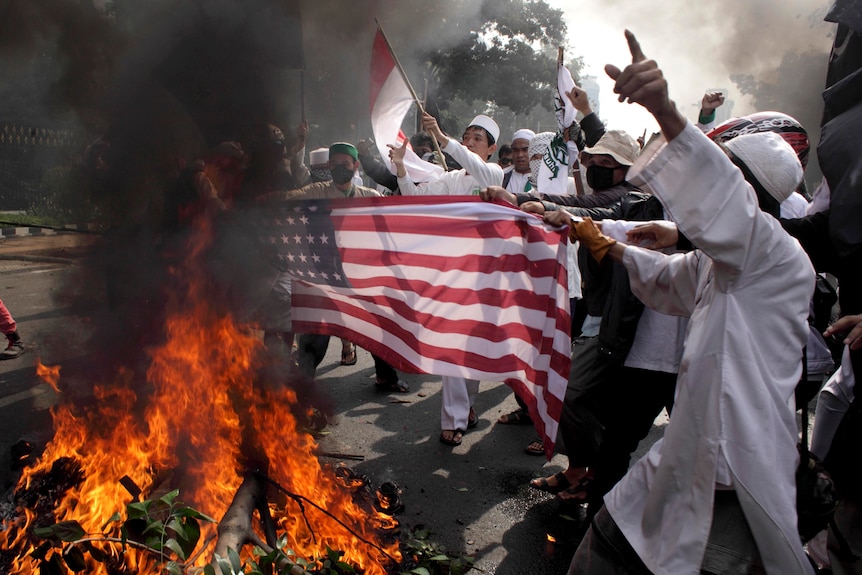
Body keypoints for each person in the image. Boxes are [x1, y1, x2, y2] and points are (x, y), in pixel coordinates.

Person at [563, 31, 815, 574]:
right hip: (685, 456)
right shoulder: (723, 262)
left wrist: (665, 109)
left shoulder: (775, 254)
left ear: (748, 193)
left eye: (723, 169)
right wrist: (607, 242)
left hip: (736, 474)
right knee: (598, 552)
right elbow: (670, 280)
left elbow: (721, 200)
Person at [389, 111, 504, 446]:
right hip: (453, 274)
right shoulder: (452, 179)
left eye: (477, 139)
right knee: (453, 347)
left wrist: (444, 138)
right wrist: (400, 168)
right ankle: (453, 418)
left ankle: (466, 406)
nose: (469, 143)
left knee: (476, 348)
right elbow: (414, 198)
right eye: (466, 136)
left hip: (488, 276)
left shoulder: (494, 174)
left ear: (491, 149)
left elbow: (480, 170)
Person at [285, 142, 409, 394]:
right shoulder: (317, 192)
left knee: (375, 325)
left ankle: (386, 377)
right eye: (334, 164)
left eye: (345, 163)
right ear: (328, 166)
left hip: (358, 276)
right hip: (324, 275)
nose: (339, 168)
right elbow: (286, 201)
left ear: (355, 166)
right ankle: (301, 388)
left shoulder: (368, 197)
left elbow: (398, 210)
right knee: (315, 334)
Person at [503, 129, 534, 194]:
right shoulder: (502, 176)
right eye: (516, 150)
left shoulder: (543, 179)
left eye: (525, 150)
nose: (520, 155)